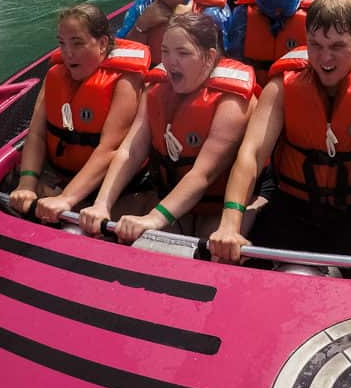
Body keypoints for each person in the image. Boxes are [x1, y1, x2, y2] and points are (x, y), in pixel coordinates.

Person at [207, 0, 351, 278]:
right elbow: (251, 153)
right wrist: (229, 223)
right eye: (316, 45)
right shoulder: (282, 87)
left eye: (338, 46)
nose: (325, 58)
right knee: (233, 268)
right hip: (293, 207)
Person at [80, 13, 256, 242]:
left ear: (209, 57)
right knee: (106, 231)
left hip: (219, 204)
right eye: (165, 51)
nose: (170, 62)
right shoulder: (155, 89)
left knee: (214, 252)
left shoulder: (232, 102)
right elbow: (130, 152)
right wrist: (101, 204)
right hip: (170, 197)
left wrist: (153, 218)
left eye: (183, 53)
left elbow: (204, 173)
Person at [9, 5, 149, 221]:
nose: (68, 53)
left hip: (111, 188)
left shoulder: (125, 82)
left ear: (102, 44)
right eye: (62, 44)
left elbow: (108, 149)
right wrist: (26, 184)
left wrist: (66, 198)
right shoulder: (55, 75)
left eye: (77, 43)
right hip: (59, 175)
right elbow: (36, 134)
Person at [227, 0, 317, 86]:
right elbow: (236, 56)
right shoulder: (243, 14)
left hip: (299, 83)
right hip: (256, 83)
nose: (278, 10)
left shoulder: (314, 13)